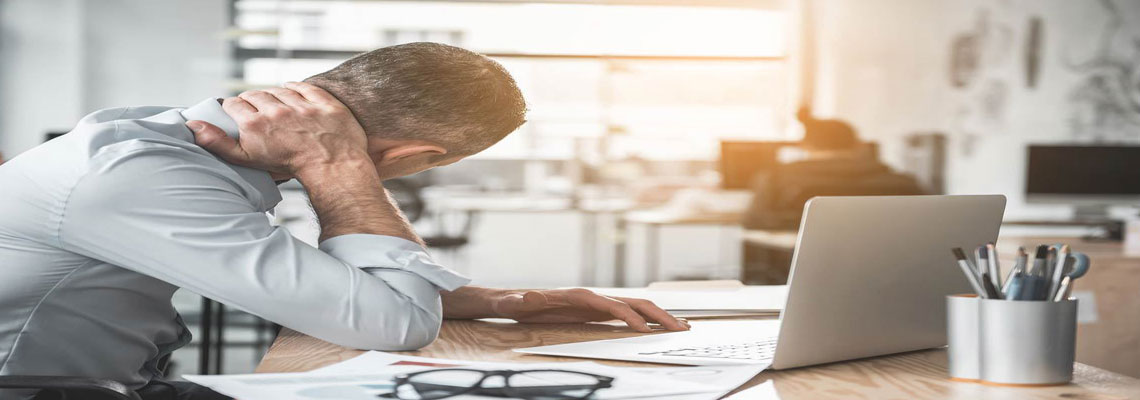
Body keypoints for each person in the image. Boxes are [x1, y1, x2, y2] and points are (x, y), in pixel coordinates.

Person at [0, 42, 687, 400]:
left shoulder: (176, 145)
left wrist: (510, 301)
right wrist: (340, 170)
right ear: (417, 158)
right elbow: (391, 323)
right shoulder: (143, 176)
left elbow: (317, 281)